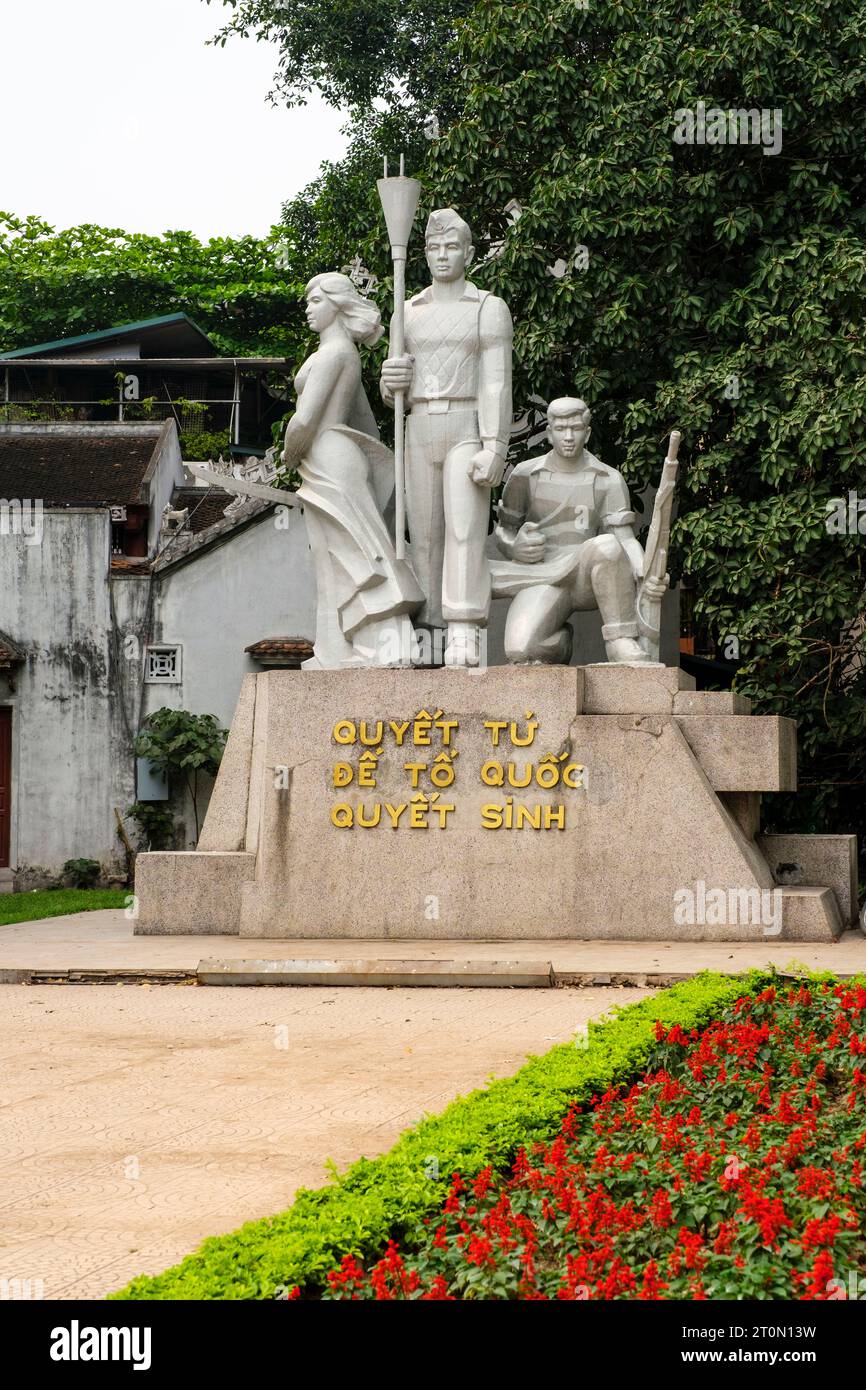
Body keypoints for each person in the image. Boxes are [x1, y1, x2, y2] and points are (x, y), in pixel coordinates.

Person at [380, 208, 513, 667]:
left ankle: (462, 626)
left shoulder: (487, 308)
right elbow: (391, 387)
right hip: (418, 425)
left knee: (464, 529)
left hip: (466, 423)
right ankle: (429, 627)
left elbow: (497, 381)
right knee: (426, 534)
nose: (442, 255)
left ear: (469, 254)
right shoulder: (407, 311)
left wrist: (495, 444)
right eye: (434, 247)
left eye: (452, 246)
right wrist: (388, 379)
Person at [284, 273, 423, 669]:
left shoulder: (333, 354)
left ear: (336, 303)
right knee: (338, 556)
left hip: (326, 454)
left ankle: (384, 644)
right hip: (336, 455)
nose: (308, 308)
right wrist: (373, 462)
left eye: (314, 300)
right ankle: (335, 648)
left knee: (356, 553)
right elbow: (364, 422)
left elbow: (304, 420)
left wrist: (290, 455)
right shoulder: (344, 354)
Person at [491, 397, 668, 664]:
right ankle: (559, 640)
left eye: (575, 428)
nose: (569, 437)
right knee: (522, 650)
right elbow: (504, 531)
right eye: (561, 429)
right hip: (541, 575)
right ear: (550, 433)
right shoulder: (525, 475)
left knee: (607, 545)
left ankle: (620, 639)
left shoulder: (608, 479)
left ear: (587, 433)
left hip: (586, 573)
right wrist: (514, 545)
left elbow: (625, 539)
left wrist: (646, 571)